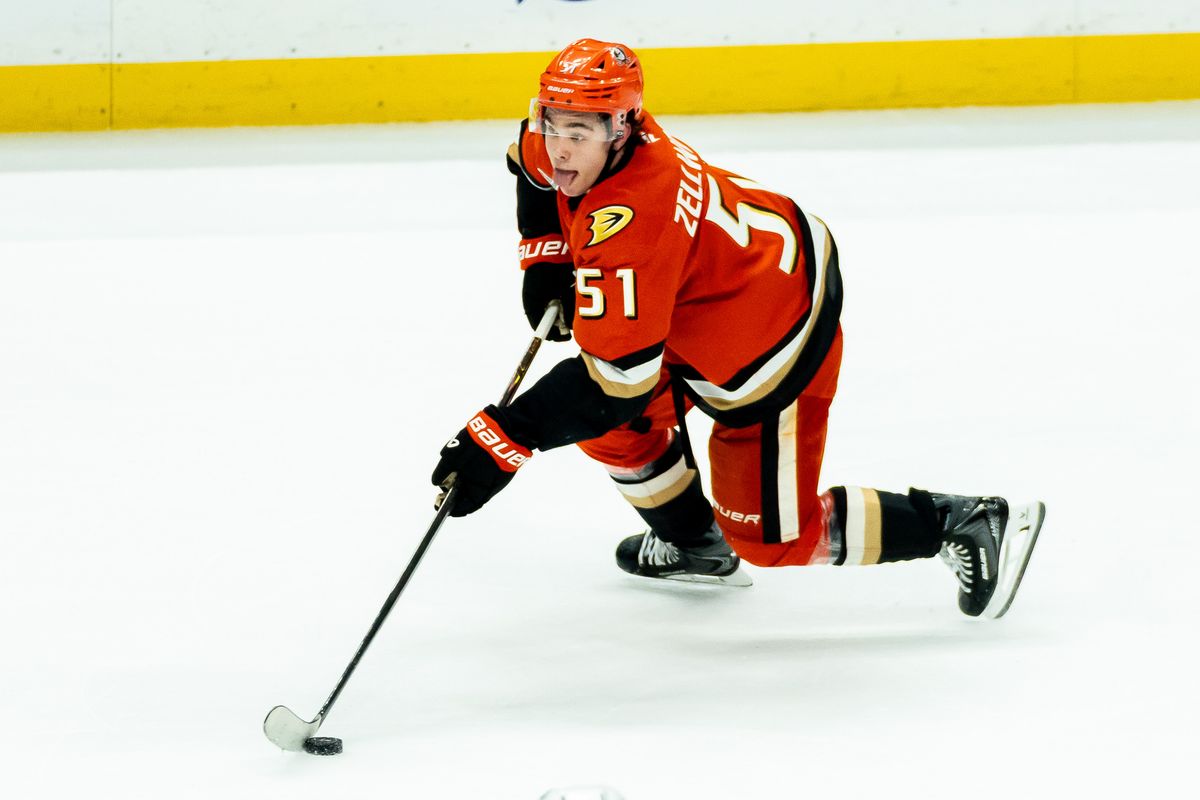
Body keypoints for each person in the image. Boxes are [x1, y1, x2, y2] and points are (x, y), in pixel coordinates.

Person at [431, 38, 1044, 618]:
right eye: (553, 125)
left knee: (771, 537)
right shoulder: (589, 138)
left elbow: (613, 382)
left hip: (773, 338)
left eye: (579, 133)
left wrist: (501, 439)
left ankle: (960, 522)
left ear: (623, 129)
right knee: (615, 431)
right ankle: (698, 546)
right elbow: (532, 166)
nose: (560, 148)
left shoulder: (634, 225)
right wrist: (546, 260)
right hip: (702, 297)